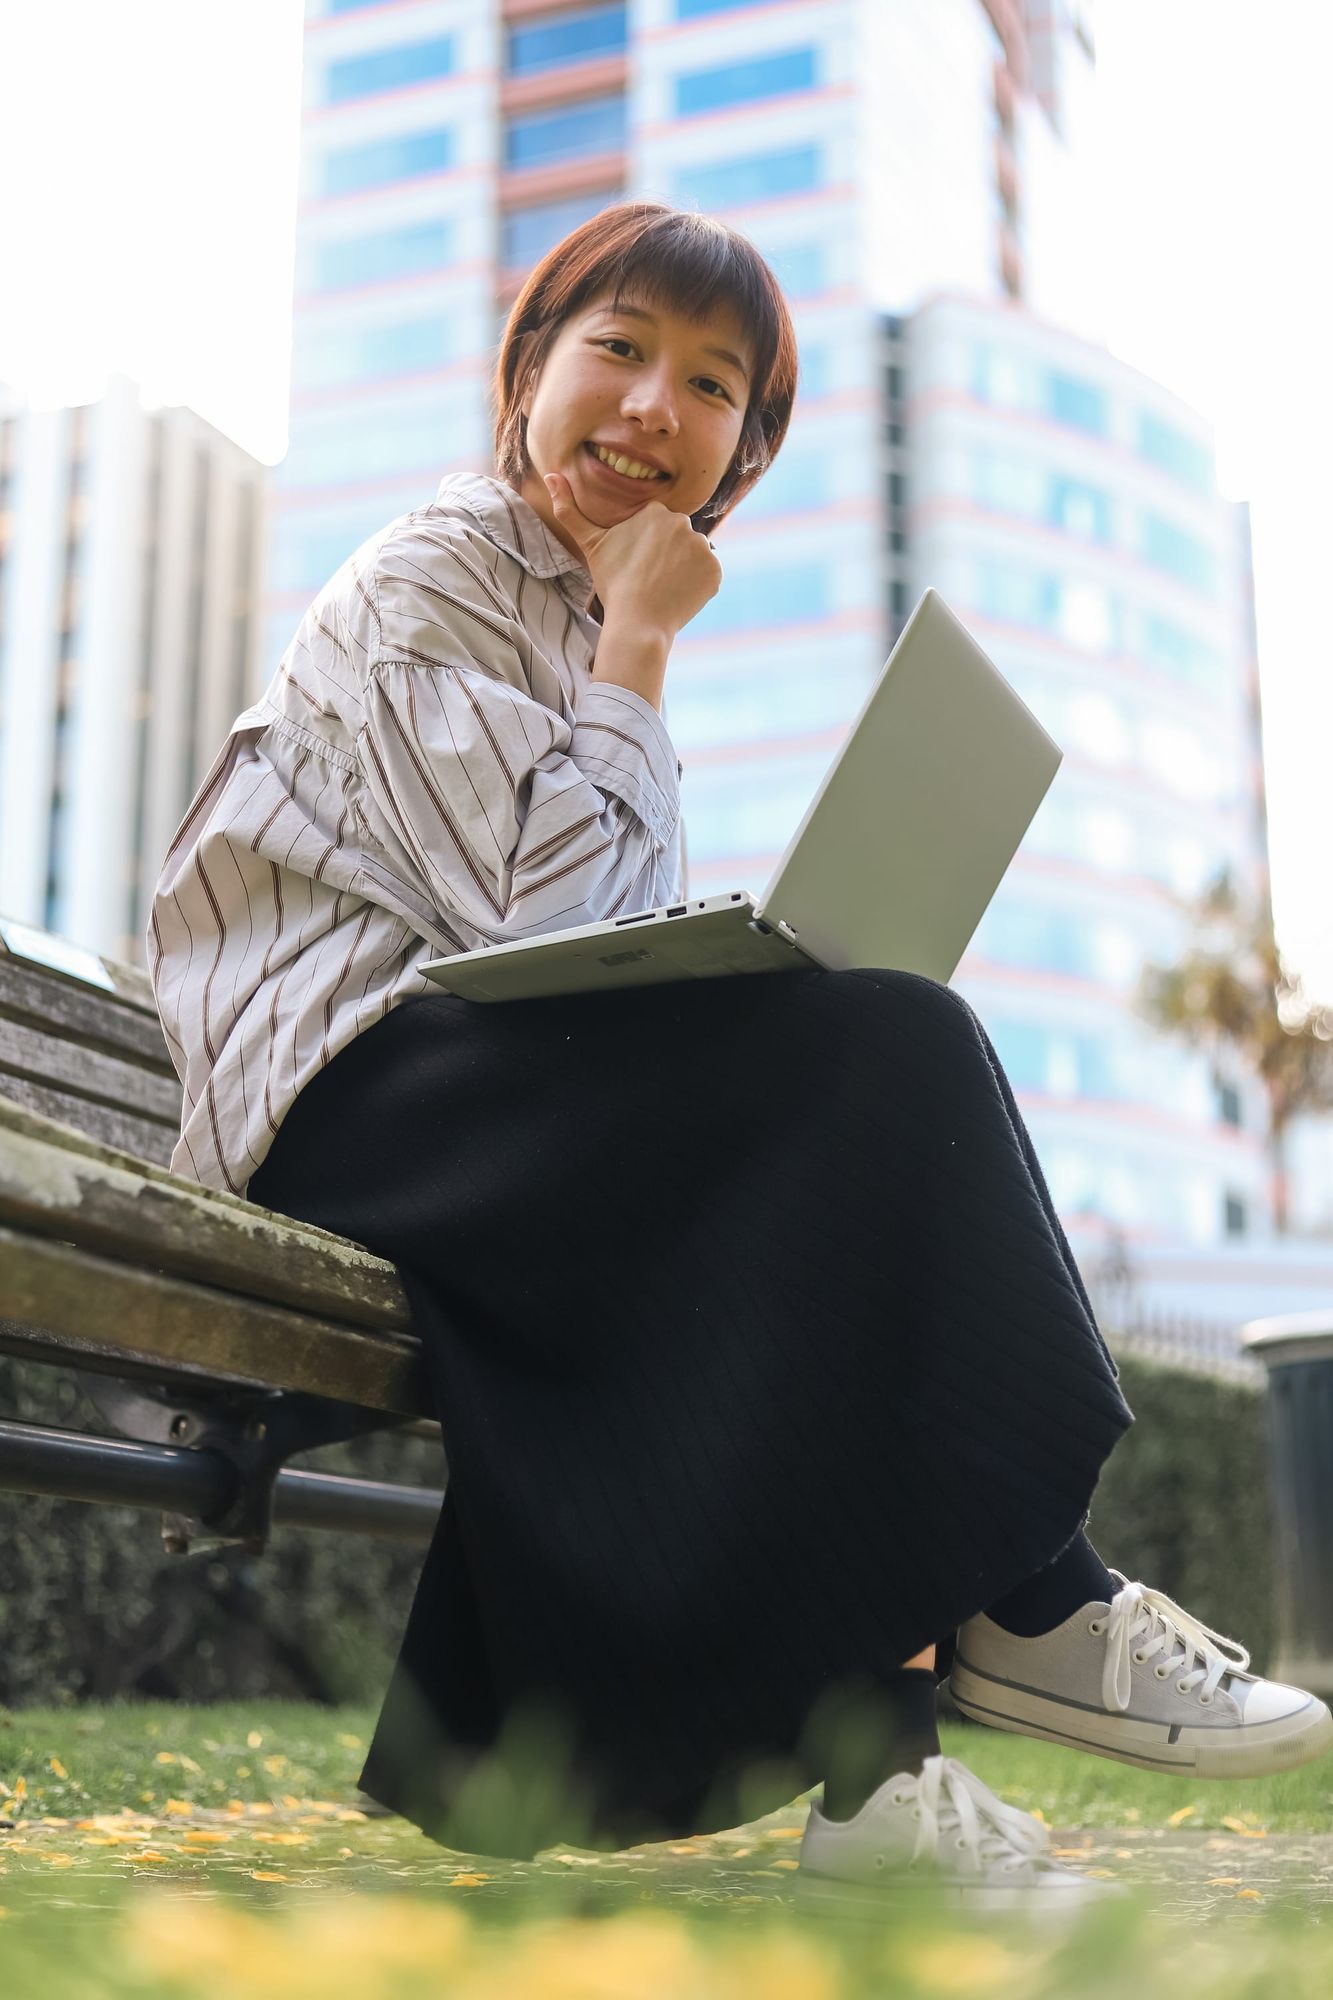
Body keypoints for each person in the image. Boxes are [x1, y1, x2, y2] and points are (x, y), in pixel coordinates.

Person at [146, 202, 1329, 1915]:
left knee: (865, 1074)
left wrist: (628, 668)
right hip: (343, 1102)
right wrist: (641, 647)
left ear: (739, 455)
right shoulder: (435, 572)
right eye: (615, 349)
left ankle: (889, 1782)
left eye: (711, 386)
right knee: (871, 1062)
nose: (651, 406)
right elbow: (524, 937)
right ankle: (1036, 1599)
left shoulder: (580, 619)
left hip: (482, 1092)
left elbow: (582, 955)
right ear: (525, 373)